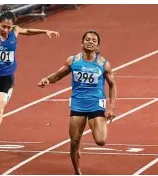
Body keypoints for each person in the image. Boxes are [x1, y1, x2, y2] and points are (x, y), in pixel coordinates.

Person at [0, 5, 60, 150]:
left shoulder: (15, 31)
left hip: (7, 77)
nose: (6, 30)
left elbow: (29, 31)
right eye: (3, 27)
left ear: (13, 25)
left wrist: (44, 31)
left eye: (9, 27)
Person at [38, 30, 117, 175]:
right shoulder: (73, 61)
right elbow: (58, 75)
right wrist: (47, 79)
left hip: (96, 104)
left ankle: (99, 125)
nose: (90, 42)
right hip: (78, 105)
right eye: (87, 39)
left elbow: (112, 85)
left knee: (101, 141)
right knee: (74, 142)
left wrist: (111, 107)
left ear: (98, 46)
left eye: (94, 40)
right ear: (82, 43)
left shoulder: (103, 64)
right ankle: (77, 171)